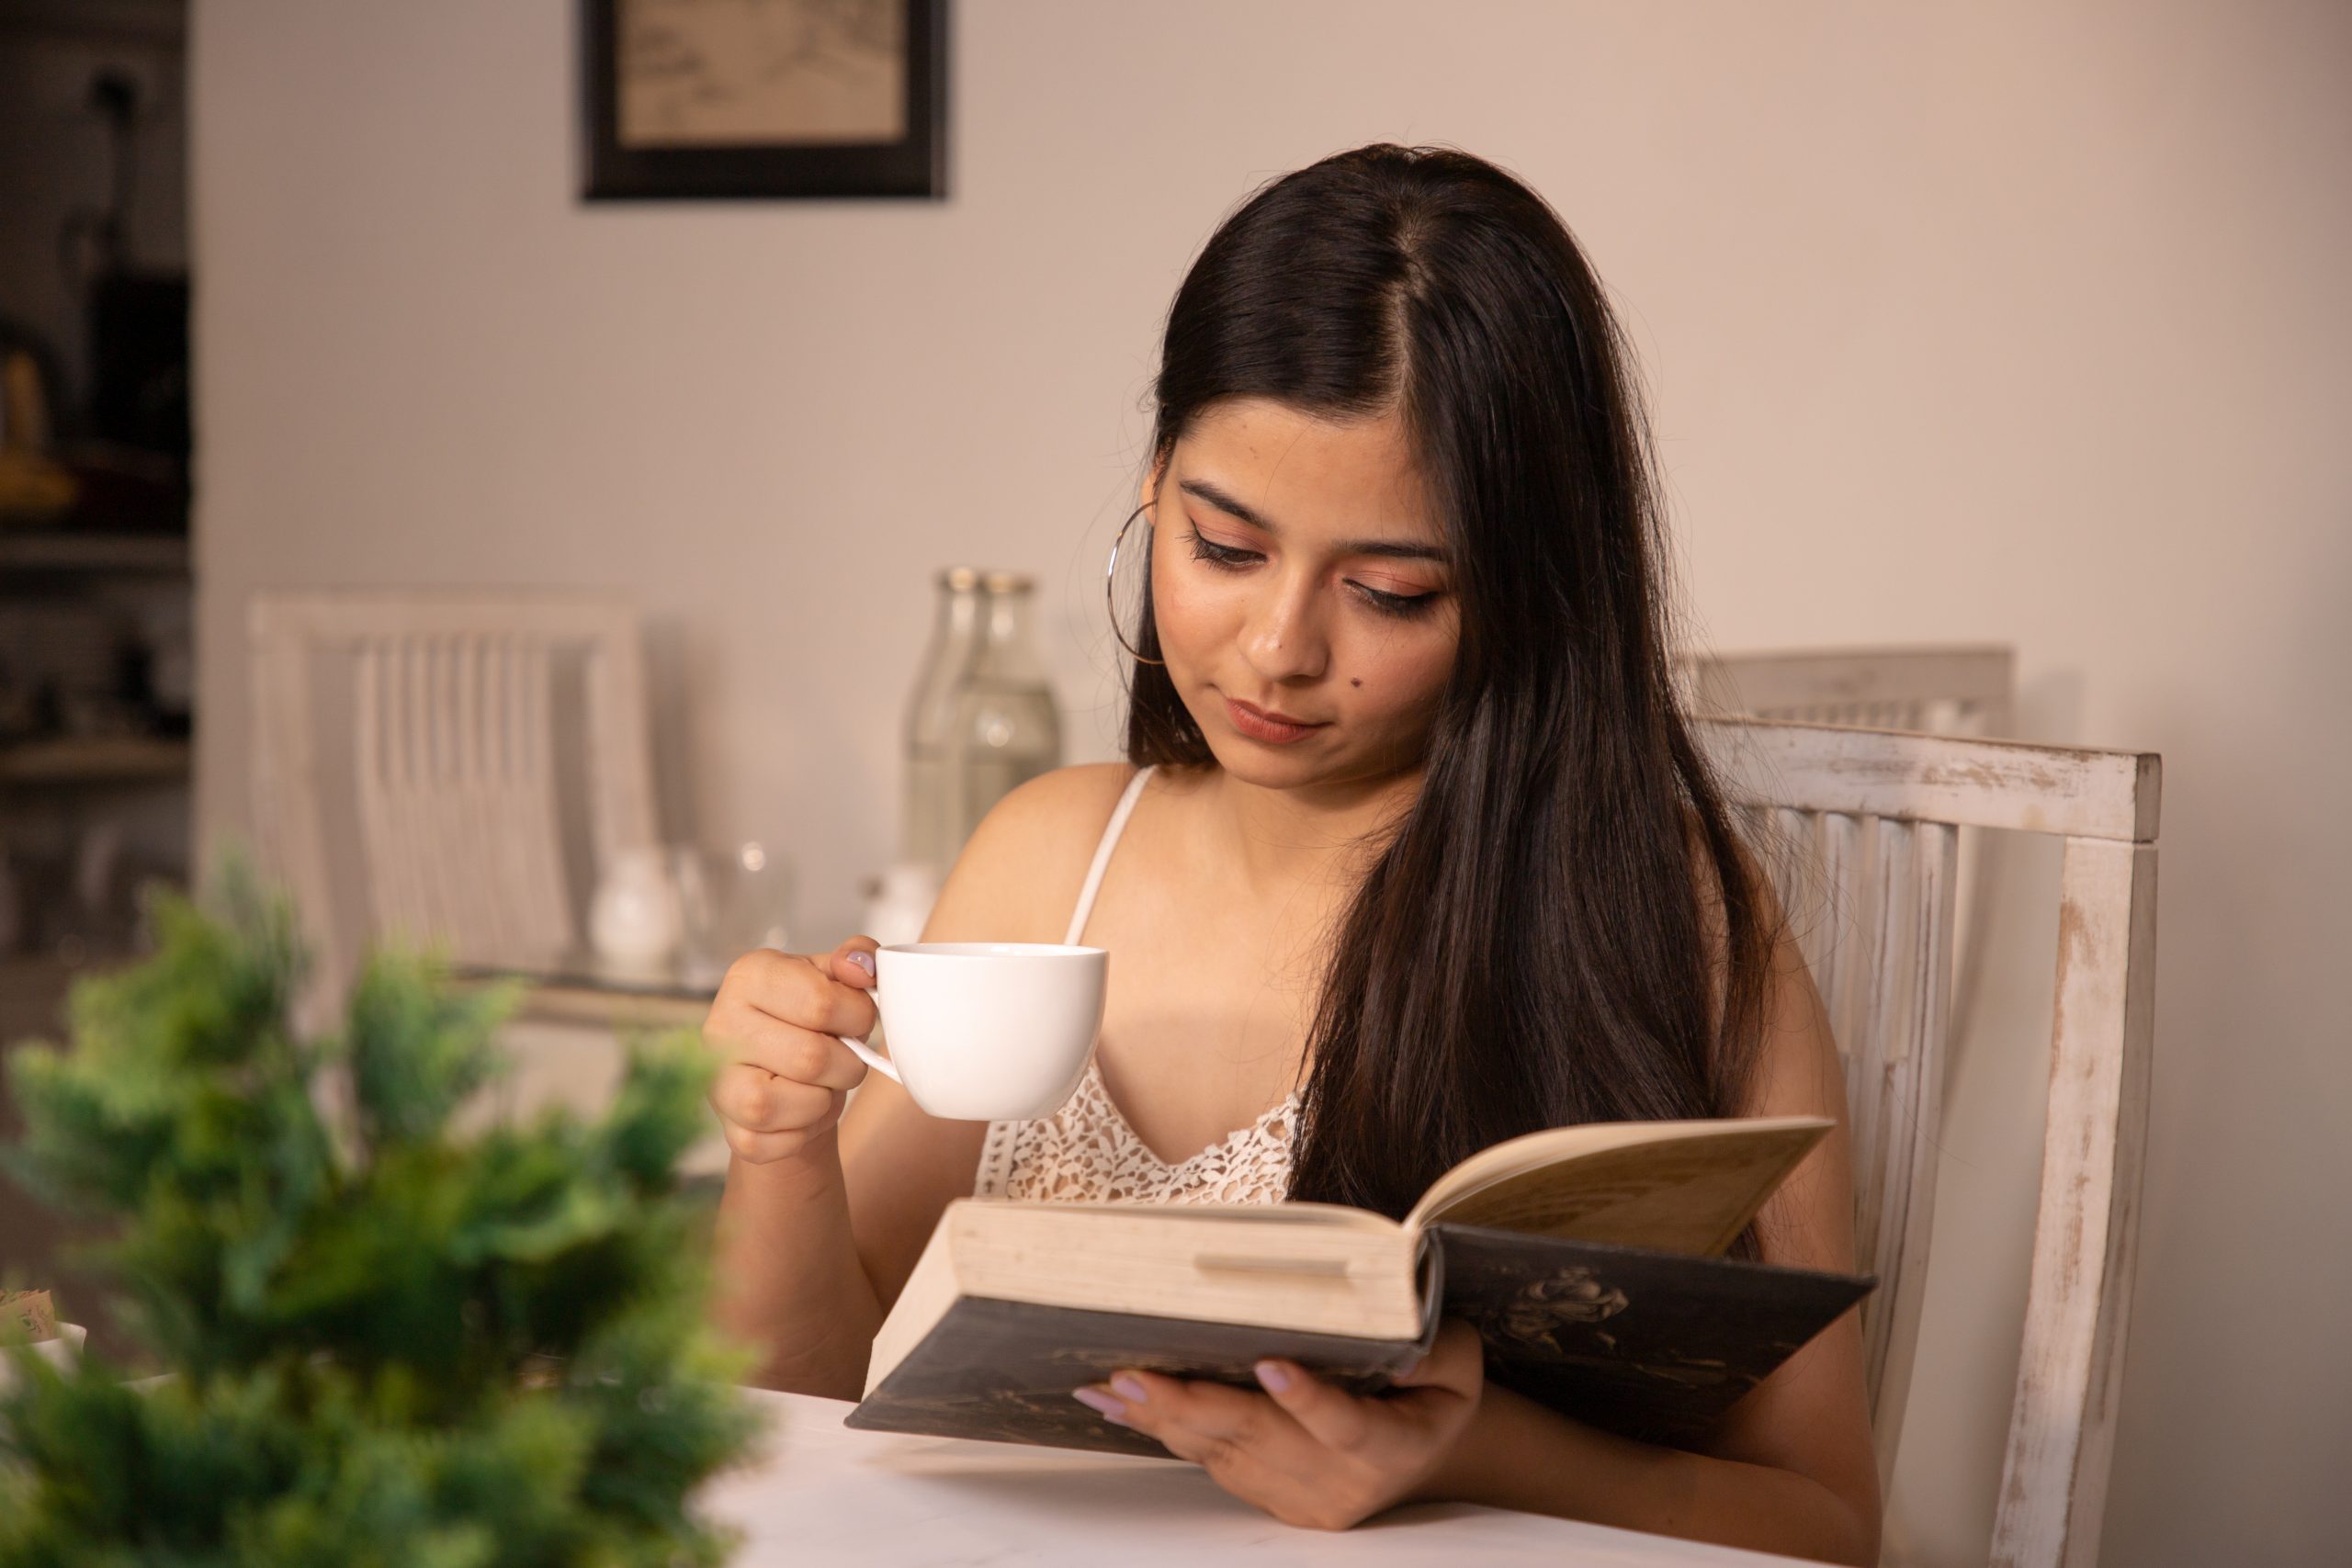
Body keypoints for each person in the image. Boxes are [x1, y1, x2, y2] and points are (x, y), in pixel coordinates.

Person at [705, 142, 1879, 1564]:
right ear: (1155, 480)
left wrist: (1475, 1448)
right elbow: (799, 1403)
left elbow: (1825, 1525)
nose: (1280, 650)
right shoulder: (1051, 852)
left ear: (1524, 592)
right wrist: (780, 1148)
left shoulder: (1647, 915)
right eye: (1224, 547)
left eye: (1388, 592)